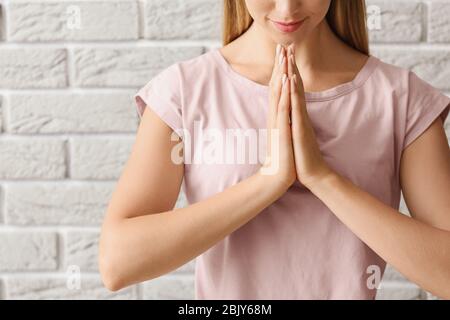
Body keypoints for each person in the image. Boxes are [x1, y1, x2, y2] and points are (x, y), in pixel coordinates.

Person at [98, 0, 450, 299]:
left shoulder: (401, 99)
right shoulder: (184, 92)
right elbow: (117, 262)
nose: (287, 8)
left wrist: (322, 178)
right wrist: (269, 180)